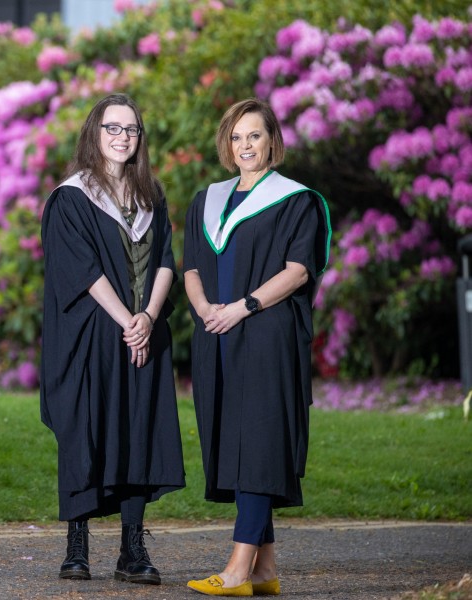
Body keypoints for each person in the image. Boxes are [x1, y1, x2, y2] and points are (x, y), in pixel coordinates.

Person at [183, 98, 331, 597]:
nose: (245, 145)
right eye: (236, 137)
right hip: (217, 335)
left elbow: (298, 270)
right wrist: (206, 308)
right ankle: (266, 570)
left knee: (260, 442)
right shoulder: (207, 199)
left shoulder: (296, 200)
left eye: (254, 136)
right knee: (238, 442)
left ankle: (238, 569)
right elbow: (191, 269)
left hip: (267, 334)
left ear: (272, 141)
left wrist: (242, 306)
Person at [40, 93, 185, 586]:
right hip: (91, 335)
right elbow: (81, 270)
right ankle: (76, 544)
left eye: (131, 129)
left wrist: (147, 317)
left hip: (142, 331)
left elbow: (167, 258)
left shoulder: (151, 196)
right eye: (112, 128)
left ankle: (132, 548)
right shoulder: (72, 196)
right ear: (94, 135)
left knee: (137, 430)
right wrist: (128, 320)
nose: (123, 137)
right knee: (86, 428)